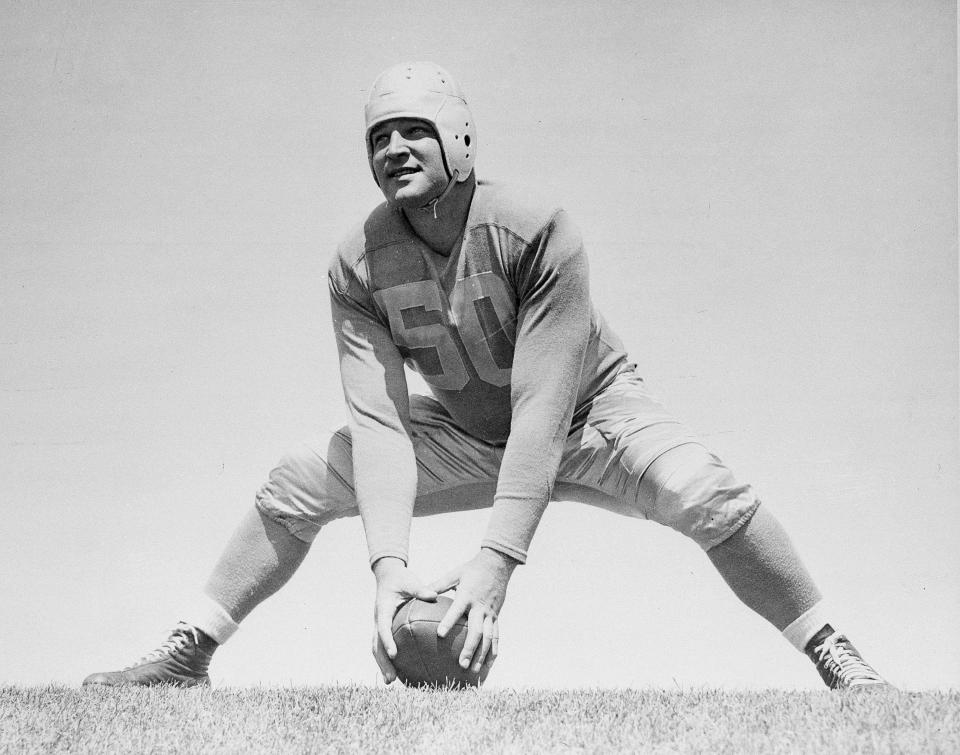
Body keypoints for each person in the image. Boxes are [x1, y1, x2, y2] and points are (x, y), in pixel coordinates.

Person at [84, 62, 888, 691]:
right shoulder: (355, 262)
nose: (392, 148)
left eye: (412, 131)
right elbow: (379, 423)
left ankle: (836, 654)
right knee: (297, 481)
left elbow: (543, 405)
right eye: (377, 138)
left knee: (703, 491)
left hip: (591, 418)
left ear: (459, 137)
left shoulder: (537, 226)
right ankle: (191, 649)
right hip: (473, 433)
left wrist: (494, 564)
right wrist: (389, 572)